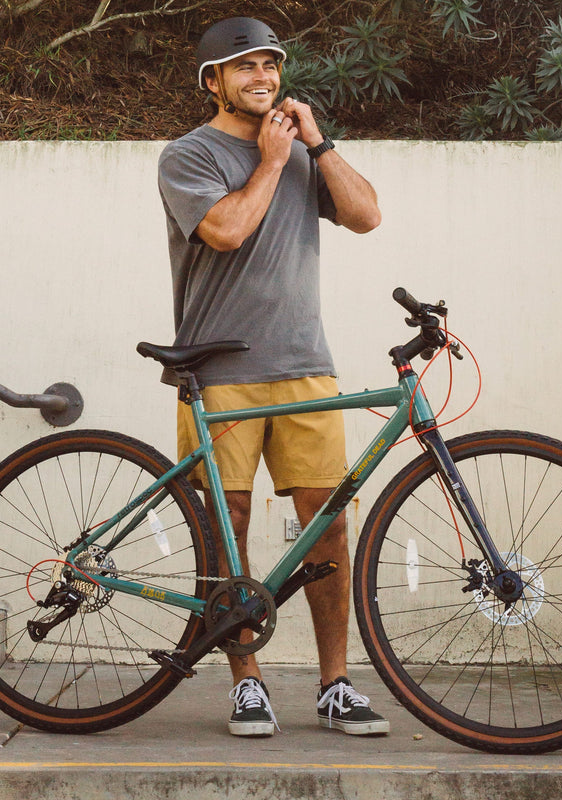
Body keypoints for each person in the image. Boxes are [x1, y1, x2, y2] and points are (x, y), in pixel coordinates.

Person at [157, 17, 388, 738]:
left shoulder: (299, 148)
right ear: (212, 81)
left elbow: (367, 215)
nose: (263, 77)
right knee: (227, 533)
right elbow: (225, 229)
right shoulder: (186, 155)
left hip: (305, 366)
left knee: (329, 529)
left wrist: (314, 144)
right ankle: (246, 682)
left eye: (271, 65)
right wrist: (267, 162)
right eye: (245, 67)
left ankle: (334, 683)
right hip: (220, 372)